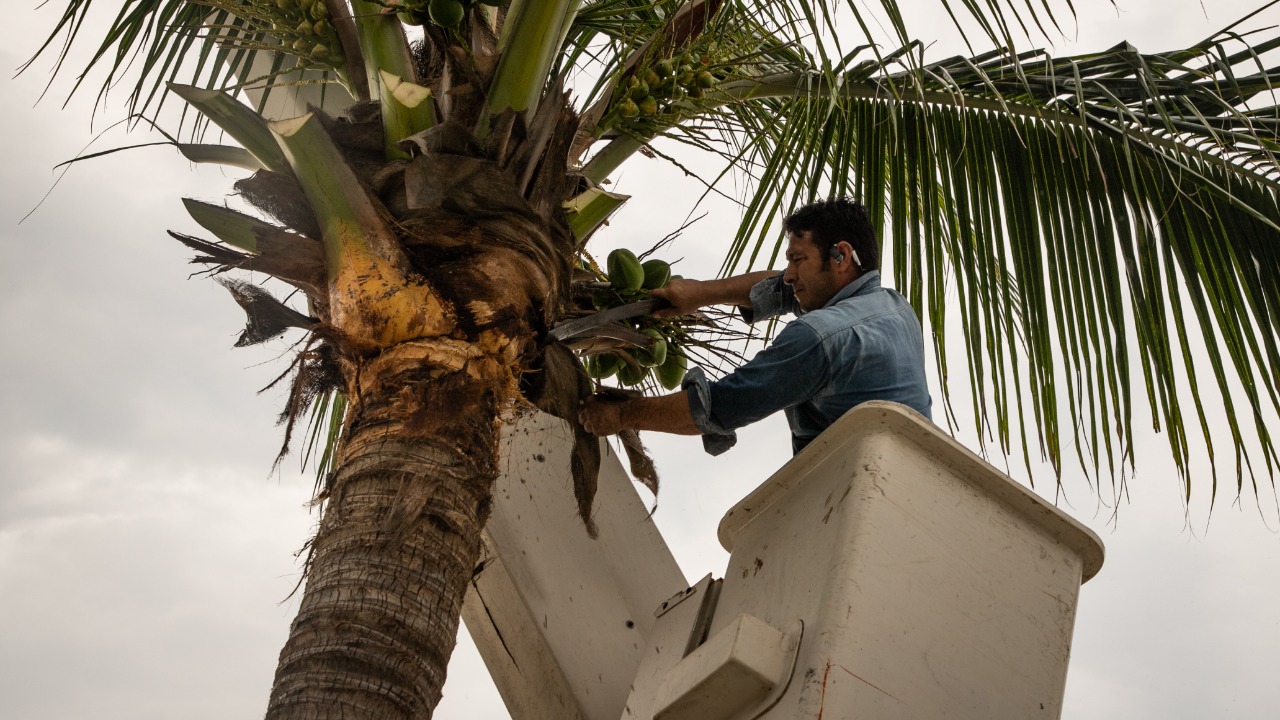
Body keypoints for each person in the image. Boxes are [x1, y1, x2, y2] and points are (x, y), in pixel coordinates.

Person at [579, 198, 931, 455]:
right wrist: (698, 294)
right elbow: (781, 288)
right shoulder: (896, 310)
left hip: (852, 497)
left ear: (840, 256)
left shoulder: (819, 338)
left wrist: (622, 414)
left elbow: (717, 407)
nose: (789, 274)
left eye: (798, 259)